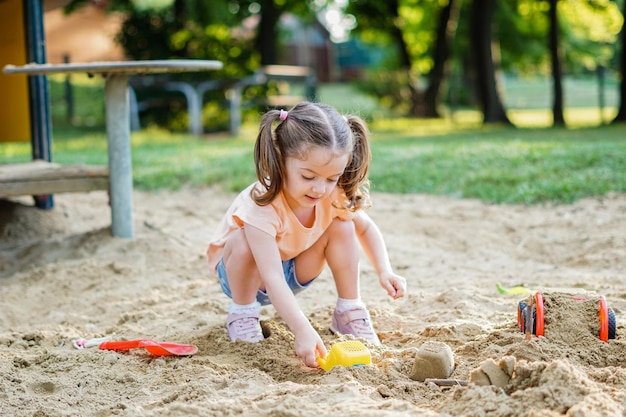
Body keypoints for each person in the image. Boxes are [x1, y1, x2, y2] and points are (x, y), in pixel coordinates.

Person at [207, 101, 407, 368]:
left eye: (331, 178)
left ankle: (348, 309)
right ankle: (242, 313)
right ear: (280, 157)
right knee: (243, 240)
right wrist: (301, 328)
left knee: (343, 225)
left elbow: (366, 228)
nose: (319, 188)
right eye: (308, 176)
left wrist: (385, 270)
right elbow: (272, 276)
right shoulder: (262, 204)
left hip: (293, 270)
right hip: (247, 276)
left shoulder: (330, 194)